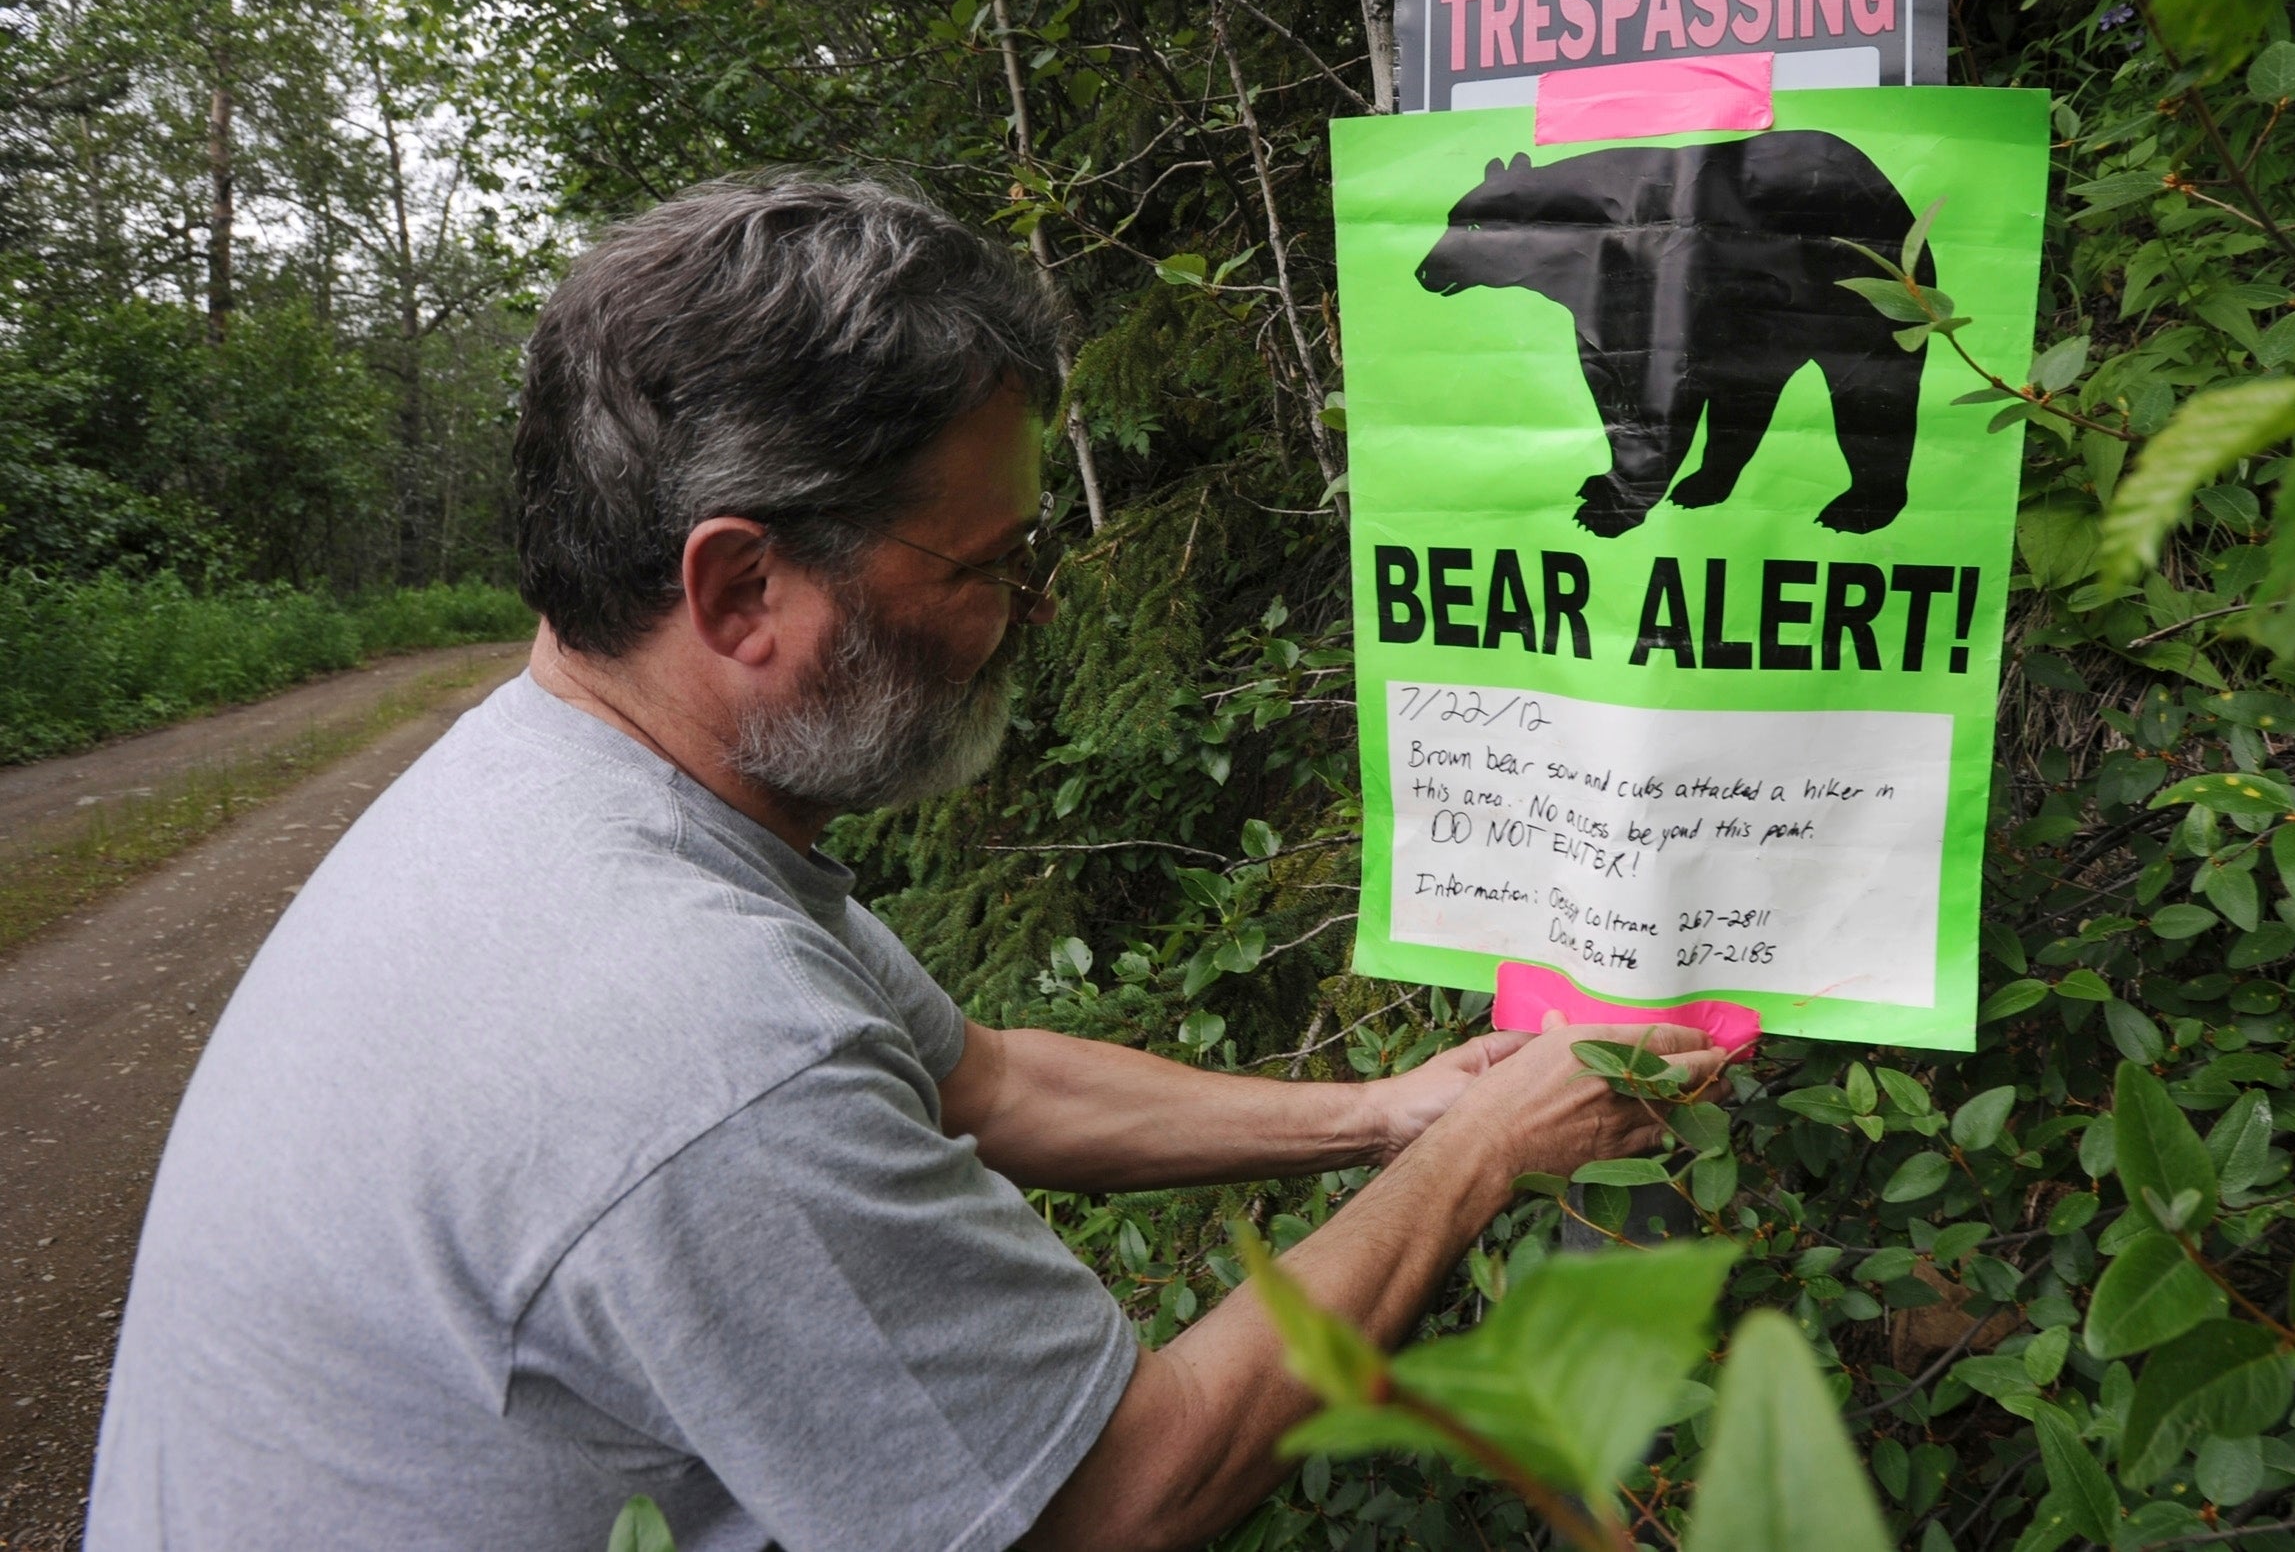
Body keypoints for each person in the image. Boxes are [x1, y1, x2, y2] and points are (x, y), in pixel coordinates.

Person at [86, 176, 1719, 1551]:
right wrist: (1479, 1161)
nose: (1031, 612)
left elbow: (986, 1083)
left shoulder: (562, 794)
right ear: (740, 593)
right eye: (992, 561)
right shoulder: (688, 1039)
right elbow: (1117, 1496)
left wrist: (1385, 1115)